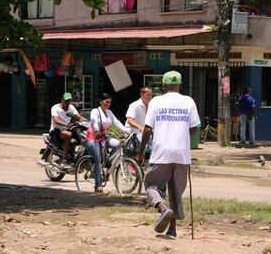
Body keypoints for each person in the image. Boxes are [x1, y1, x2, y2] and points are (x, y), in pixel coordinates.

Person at [136, 70, 200, 239]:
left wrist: (141, 153)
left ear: (164, 86)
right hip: (181, 154)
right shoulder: (189, 101)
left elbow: (148, 129)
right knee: (175, 191)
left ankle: (163, 209)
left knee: (150, 184)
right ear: (180, 85)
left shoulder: (156, 101)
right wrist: (181, 137)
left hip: (161, 153)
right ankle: (172, 230)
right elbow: (194, 128)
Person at [85, 93, 127, 193]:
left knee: (118, 144)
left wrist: (126, 131)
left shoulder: (109, 112)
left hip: (103, 138)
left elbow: (116, 123)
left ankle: (107, 161)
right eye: (106, 102)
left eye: (110, 102)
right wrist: (96, 130)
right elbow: (94, 121)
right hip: (93, 138)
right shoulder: (95, 111)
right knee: (97, 160)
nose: (108, 104)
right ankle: (97, 185)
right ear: (101, 101)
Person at [49, 92, 86, 169]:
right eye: (66, 100)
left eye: (69, 101)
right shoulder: (55, 108)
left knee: (79, 136)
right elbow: (56, 120)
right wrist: (65, 124)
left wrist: (87, 121)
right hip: (56, 130)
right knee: (68, 134)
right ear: (62, 100)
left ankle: (74, 157)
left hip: (66, 129)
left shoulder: (71, 107)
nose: (67, 102)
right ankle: (64, 160)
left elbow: (78, 116)